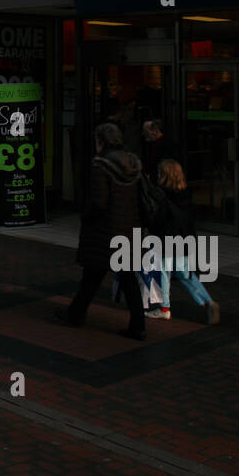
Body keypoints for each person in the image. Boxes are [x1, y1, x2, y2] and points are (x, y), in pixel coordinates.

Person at [56, 121, 146, 340]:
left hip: (105, 231)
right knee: (127, 278)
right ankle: (137, 324)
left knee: (92, 276)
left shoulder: (101, 166)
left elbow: (99, 203)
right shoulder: (133, 163)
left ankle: (75, 315)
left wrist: (85, 216)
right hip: (128, 229)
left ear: (101, 141)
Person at [147, 158, 219, 325]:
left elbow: (158, 219)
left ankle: (164, 308)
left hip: (166, 239)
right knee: (185, 274)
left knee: (163, 273)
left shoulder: (161, 195)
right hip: (184, 240)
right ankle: (207, 301)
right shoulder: (185, 195)